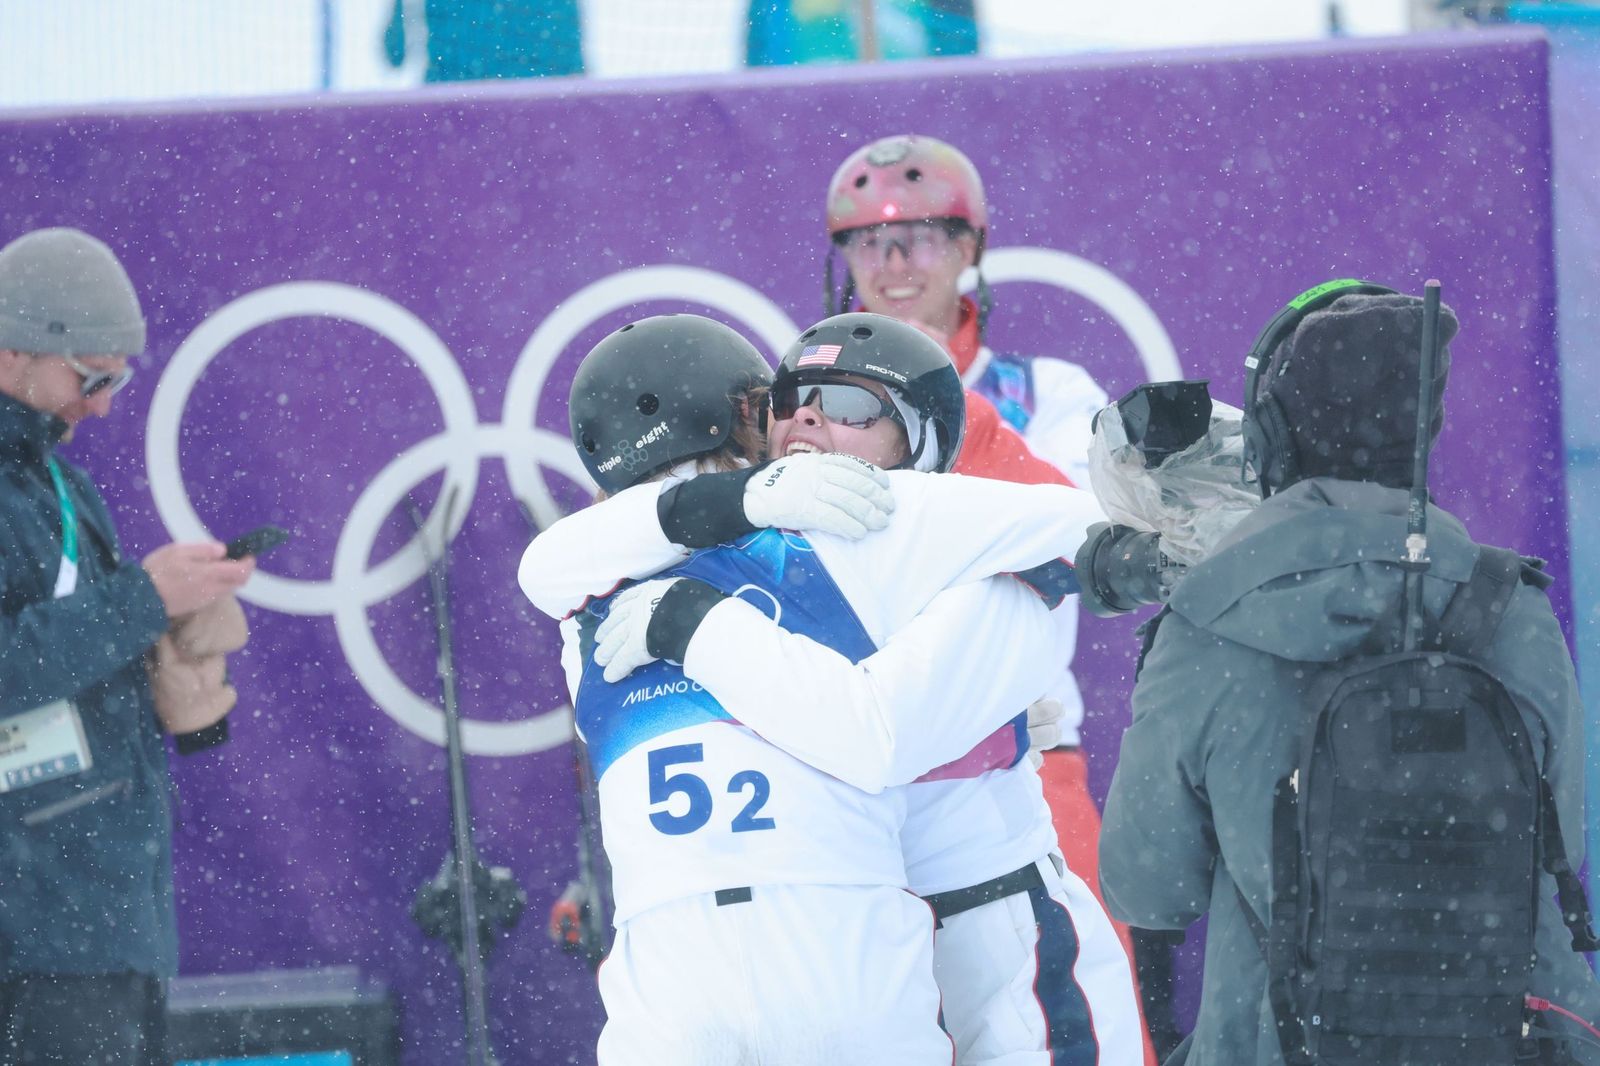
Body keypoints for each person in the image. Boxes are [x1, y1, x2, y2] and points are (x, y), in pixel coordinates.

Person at [524, 312, 1142, 1064]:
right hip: (855, 952)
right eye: (788, 404)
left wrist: (703, 613)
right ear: (749, 419)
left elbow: (551, 565)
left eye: (851, 408)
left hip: (968, 936)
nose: (806, 424)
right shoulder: (823, 534)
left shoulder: (591, 600)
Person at [1098, 287, 1600, 1064]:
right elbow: (1562, 842)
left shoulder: (1208, 624)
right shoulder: (1510, 608)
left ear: (1270, 439)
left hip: (1283, 1040)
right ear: (1424, 432)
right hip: (1512, 1037)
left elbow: (1147, 884)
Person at [825, 134, 1165, 1057]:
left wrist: (938, 416)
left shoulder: (1044, 391)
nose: (893, 267)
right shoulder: (807, 395)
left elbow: (1085, 533)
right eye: (868, 244)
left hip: (1022, 754)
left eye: (922, 239)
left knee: (1070, 1023)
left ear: (970, 248)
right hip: (854, 770)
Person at [0, 228, 255, 1065]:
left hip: (102, 908)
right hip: (34, 927)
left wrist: (178, 657)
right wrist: (143, 599)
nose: (103, 405)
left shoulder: (61, 483)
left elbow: (76, 658)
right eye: (91, 377)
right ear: (13, 354)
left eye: (118, 380)